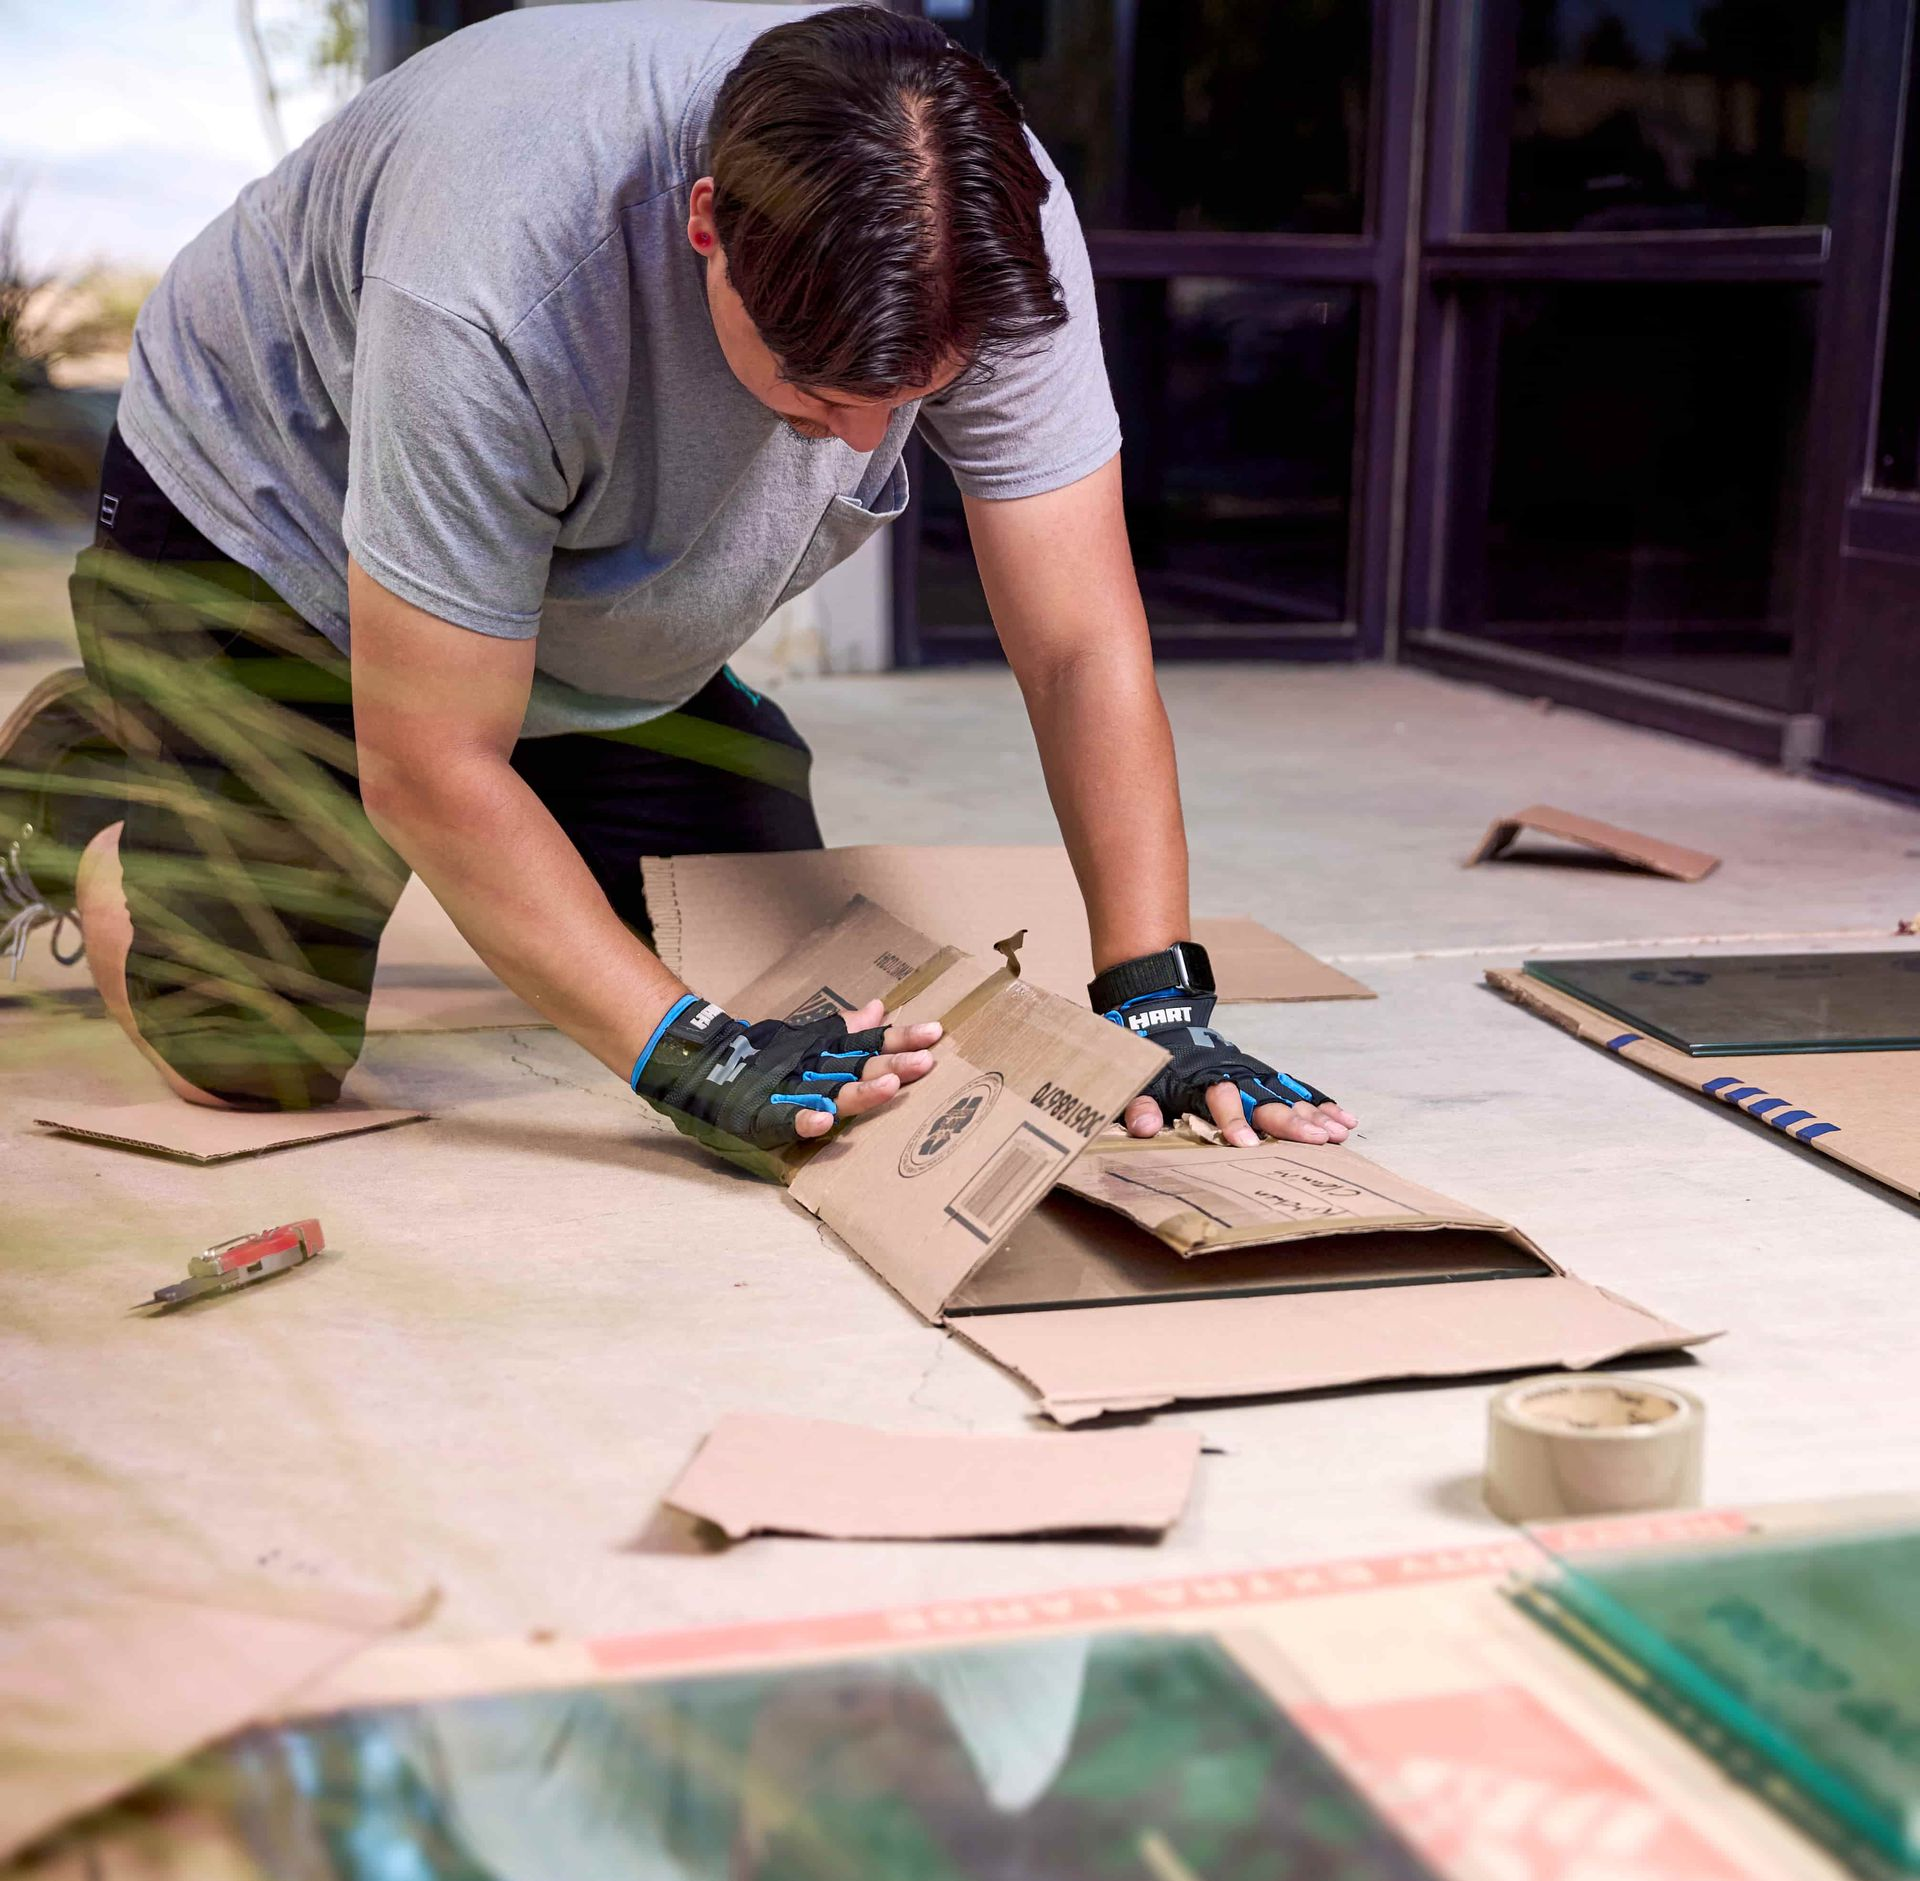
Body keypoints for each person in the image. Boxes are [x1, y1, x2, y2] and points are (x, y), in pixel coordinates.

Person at [0, 2, 1354, 1169]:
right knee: (253, 1054)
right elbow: (431, 762)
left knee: (775, 984)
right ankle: (80, 796)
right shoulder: (494, 282)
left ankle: (423, 750)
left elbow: (1078, 648)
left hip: (570, 582)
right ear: (706, 226)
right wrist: (684, 1067)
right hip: (266, 521)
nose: (863, 444)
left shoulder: (980, 231)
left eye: (911, 403)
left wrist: (1156, 1002)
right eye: (818, 396)